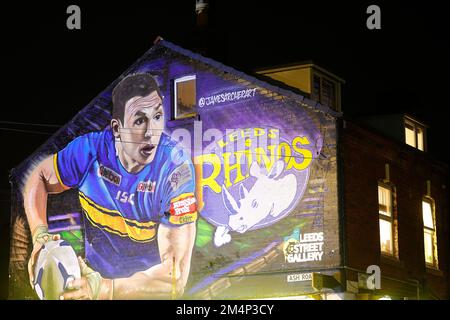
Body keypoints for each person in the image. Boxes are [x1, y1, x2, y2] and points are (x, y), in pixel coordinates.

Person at [23, 73, 198, 300]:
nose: (151, 132)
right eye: (139, 120)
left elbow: (174, 278)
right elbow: (38, 177)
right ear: (117, 128)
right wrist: (40, 234)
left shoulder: (176, 168)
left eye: (157, 116)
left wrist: (104, 289)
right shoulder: (89, 150)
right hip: (92, 284)